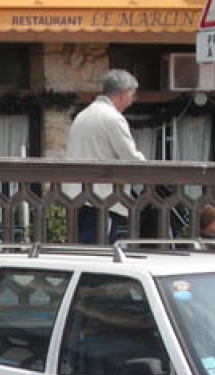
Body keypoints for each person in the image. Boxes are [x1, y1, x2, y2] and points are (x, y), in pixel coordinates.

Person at [66, 69, 146, 244]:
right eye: (132, 95)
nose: (132, 100)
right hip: (103, 199)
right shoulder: (113, 119)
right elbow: (131, 158)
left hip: (77, 196)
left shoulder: (83, 115)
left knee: (83, 251)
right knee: (98, 252)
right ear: (123, 93)